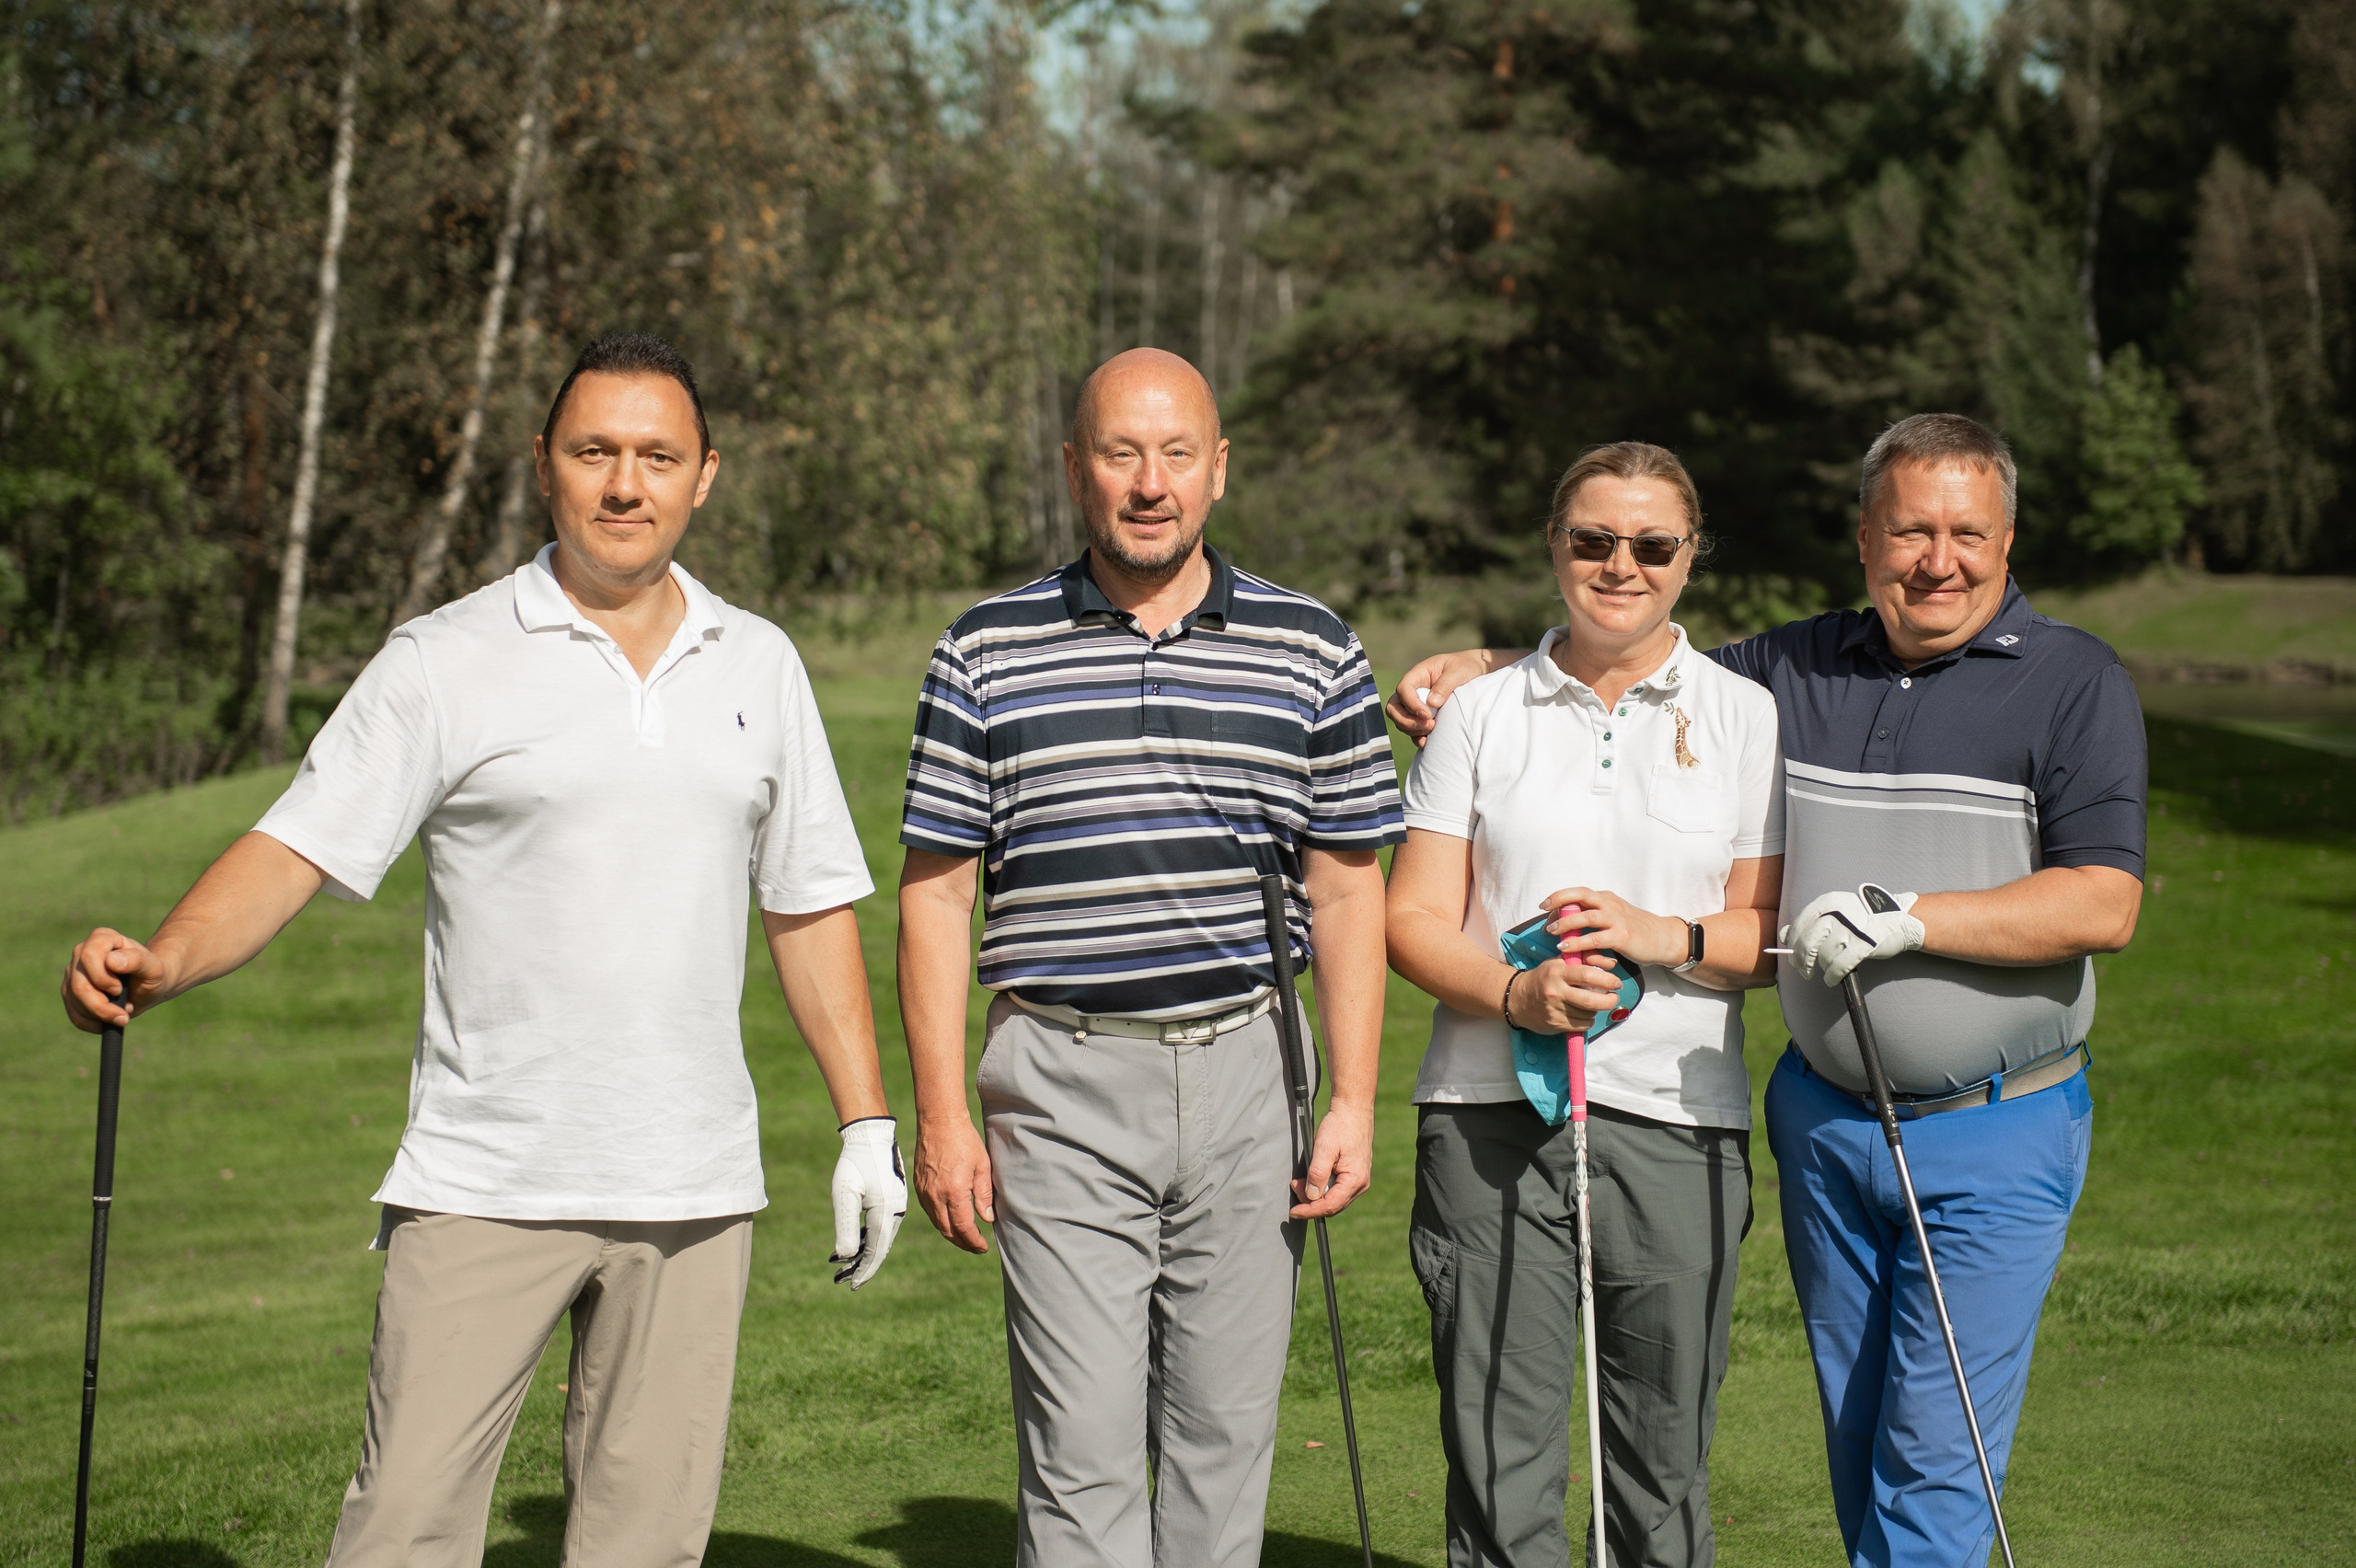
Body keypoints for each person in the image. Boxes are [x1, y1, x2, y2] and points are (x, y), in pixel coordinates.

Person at [59, 332, 907, 1568]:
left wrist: (865, 1128)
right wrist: (168, 959)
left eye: (657, 456)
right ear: (544, 466)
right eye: (596, 453)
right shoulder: (444, 658)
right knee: (402, 1536)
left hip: (692, 1191)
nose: (627, 484)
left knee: (647, 1549)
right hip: (483, 1182)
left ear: (704, 476)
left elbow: (807, 906)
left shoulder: (760, 665)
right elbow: (297, 846)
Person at [1387, 413, 2146, 1568]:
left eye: (1964, 534)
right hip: (1827, 1119)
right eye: (1908, 532)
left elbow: (2104, 905)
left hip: (1992, 1120)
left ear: (2006, 540)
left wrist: (1907, 921)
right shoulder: (1795, 668)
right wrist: (1485, 664)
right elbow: (1618, 653)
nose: (1935, 559)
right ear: (1863, 540)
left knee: (1927, 1461)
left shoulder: (2066, 678)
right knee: (1855, 1444)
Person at [896, 347, 1403, 1568]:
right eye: (1121, 452)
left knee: (1225, 1443)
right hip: (1059, 1081)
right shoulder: (984, 649)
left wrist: (1353, 1097)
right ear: (1077, 470)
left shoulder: (1312, 648)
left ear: (1218, 470)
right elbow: (936, 896)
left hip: (1247, 1074)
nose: (1149, 482)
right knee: (1079, 1455)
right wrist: (943, 1115)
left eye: (1177, 453)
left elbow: (1346, 890)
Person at [1385, 442, 1784, 1568]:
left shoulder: (1746, 716)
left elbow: (1764, 937)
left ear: (1690, 554)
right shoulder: (1482, 713)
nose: (1622, 565)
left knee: (1660, 1470)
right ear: (1554, 545)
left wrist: (1658, 939)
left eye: (1652, 544)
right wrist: (1517, 991)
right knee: (1499, 1462)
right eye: (1593, 540)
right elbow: (1412, 917)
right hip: (1486, 1116)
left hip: (1675, 1115)